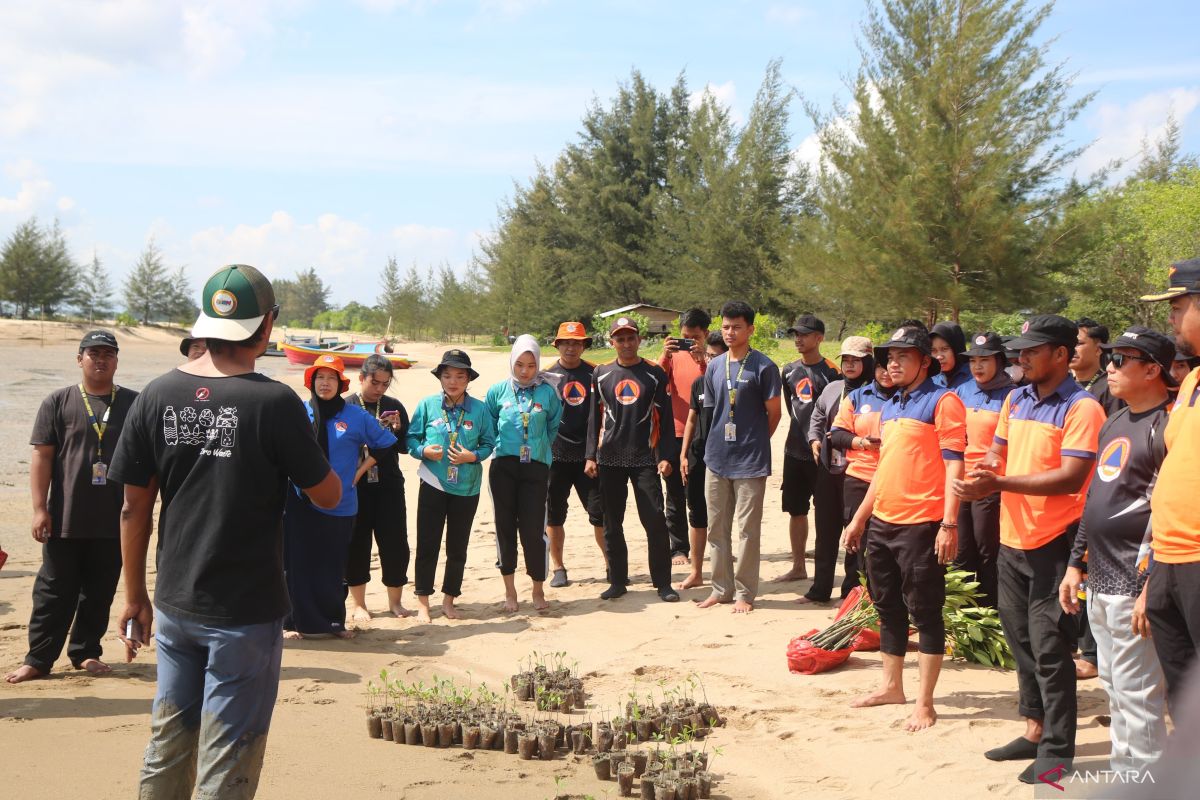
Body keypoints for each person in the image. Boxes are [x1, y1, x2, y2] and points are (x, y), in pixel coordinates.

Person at [110, 264, 341, 798]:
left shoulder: (155, 394)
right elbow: (326, 494)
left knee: (167, 741)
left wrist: (134, 597)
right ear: (267, 327)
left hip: (172, 602)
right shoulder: (275, 402)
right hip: (246, 611)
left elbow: (132, 510)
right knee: (228, 755)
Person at [955, 314, 1105, 784]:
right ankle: (1034, 730)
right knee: (1019, 641)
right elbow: (997, 452)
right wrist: (983, 473)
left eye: (1030, 351)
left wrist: (997, 481)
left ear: (1060, 355)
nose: (1020, 359)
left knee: (1050, 649)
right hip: (1011, 538)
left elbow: (1071, 477)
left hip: (1054, 545)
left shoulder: (1082, 409)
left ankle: (1058, 752)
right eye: (1018, 351)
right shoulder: (1016, 399)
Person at [1058, 326, 1175, 772]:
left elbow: (1168, 515)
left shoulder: (1167, 428)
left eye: (1123, 359)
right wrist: (1075, 564)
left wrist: (1150, 586)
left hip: (1135, 581)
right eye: (1111, 357)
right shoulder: (1115, 420)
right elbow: (1096, 499)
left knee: (1139, 693)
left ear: (1152, 370)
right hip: (1100, 576)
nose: (1110, 366)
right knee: (1113, 686)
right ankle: (1125, 773)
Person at [841, 325, 966, 731]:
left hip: (922, 525)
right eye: (889, 357)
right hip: (883, 522)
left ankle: (926, 703)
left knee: (926, 612)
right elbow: (884, 469)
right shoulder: (893, 404)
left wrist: (949, 523)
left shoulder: (942, 402)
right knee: (887, 606)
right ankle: (892, 686)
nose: (892, 364)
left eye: (903, 356)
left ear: (925, 361)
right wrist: (860, 518)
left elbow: (954, 466)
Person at [5, 330, 138, 684]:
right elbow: (42, 456)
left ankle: (86, 652)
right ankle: (38, 659)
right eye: (93, 353)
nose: (101, 359)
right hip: (65, 518)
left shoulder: (133, 403)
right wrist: (39, 509)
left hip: (115, 521)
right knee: (53, 592)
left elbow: (150, 461)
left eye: (108, 353)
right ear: (79, 359)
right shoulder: (57, 401)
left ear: (116, 360)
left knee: (99, 591)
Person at [283, 354, 396, 639]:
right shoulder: (299, 412)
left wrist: (358, 472)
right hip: (299, 502)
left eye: (331, 378)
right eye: (320, 377)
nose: (325, 383)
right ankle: (293, 623)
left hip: (340, 503)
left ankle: (333, 622)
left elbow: (384, 444)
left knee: (333, 565)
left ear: (341, 383)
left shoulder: (355, 416)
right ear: (311, 381)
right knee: (296, 564)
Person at [1139, 257, 1200, 715]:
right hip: (1169, 558)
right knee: (1181, 693)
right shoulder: (1193, 379)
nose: (1171, 317)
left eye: (1178, 306)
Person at [584, 317, 679, 603]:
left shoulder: (654, 374)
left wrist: (666, 456)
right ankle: (617, 582)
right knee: (612, 523)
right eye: (620, 339)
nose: (626, 344)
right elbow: (594, 418)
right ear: (612, 342)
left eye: (630, 338)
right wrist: (590, 455)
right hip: (609, 459)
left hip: (644, 459)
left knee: (655, 521)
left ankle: (663, 583)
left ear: (639, 340)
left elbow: (664, 418)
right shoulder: (600, 373)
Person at [697, 301, 783, 614]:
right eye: (726, 326)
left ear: (750, 329)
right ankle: (720, 589)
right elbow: (712, 411)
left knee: (748, 530)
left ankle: (745, 593)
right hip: (716, 459)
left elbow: (774, 414)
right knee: (716, 528)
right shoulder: (715, 366)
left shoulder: (764, 367)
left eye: (736, 327)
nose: (730, 332)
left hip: (750, 462)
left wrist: (754, 442)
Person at [407, 350, 495, 623]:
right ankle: (423, 602)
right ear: (440, 377)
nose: (453, 381)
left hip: (467, 487)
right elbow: (410, 439)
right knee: (427, 544)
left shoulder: (480, 410)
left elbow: (489, 443)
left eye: (459, 375)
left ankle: (449, 600)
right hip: (433, 482)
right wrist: (423, 450)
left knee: (458, 546)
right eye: (447, 375)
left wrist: (474, 456)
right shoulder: (427, 405)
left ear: (468, 378)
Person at [486, 335, 563, 612]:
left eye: (531, 365)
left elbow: (553, 426)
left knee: (533, 529)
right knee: (504, 529)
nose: (525, 371)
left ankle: (538, 590)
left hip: (536, 468)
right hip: (503, 467)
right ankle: (510, 592)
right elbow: (489, 427)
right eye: (519, 364)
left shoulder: (547, 392)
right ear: (512, 362)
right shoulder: (497, 392)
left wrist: (537, 447)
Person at [799, 335, 872, 603]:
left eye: (857, 360)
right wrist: (814, 439)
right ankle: (819, 589)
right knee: (826, 529)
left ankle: (850, 593)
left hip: (860, 473)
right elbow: (817, 415)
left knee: (855, 532)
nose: (850, 366)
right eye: (847, 360)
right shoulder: (833, 388)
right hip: (829, 470)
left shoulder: (875, 390)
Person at [822, 338, 891, 601]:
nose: (885, 372)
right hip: (859, 479)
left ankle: (881, 599)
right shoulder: (857, 397)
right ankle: (852, 597)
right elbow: (836, 434)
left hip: (892, 482)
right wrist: (860, 443)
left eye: (889, 367)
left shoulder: (905, 398)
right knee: (855, 539)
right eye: (881, 367)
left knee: (882, 543)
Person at [346, 354, 412, 621]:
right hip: (355, 484)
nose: (380, 389)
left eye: (385, 384)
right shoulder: (346, 406)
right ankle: (359, 604)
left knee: (395, 542)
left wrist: (395, 430)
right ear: (362, 378)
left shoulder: (394, 405)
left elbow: (404, 447)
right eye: (375, 383)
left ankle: (395, 602)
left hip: (388, 483)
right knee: (357, 543)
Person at [951, 332, 1015, 608]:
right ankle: (965, 617)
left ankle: (992, 614)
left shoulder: (1013, 394)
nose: (977, 366)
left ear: (999, 361)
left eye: (984, 360)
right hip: (960, 482)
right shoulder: (961, 391)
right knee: (962, 551)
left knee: (988, 550)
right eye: (973, 360)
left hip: (992, 484)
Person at [778, 313, 841, 583]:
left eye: (804, 334)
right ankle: (798, 565)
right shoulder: (789, 371)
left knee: (826, 512)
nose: (798, 339)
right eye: (796, 334)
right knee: (796, 510)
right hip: (794, 450)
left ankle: (825, 572)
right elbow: (791, 408)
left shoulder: (832, 373)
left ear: (819, 338)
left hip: (823, 455)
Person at [543, 321, 606, 587]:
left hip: (588, 456)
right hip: (555, 456)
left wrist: (595, 452)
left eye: (577, 342)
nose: (571, 347)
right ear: (557, 345)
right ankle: (558, 567)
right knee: (554, 516)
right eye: (566, 342)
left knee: (599, 513)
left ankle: (610, 563)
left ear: (584, 345)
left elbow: (606, 414)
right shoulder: (546, 376)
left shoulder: (595, 373)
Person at [660, 308, 712, 565]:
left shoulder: (713, 359)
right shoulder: (673, 357)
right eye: (684, 336)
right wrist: (665, 355)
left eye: (694, 337)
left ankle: (707, 544)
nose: (688, 342)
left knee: (704, 493)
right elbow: (657, 383)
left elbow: (715, 388)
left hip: (705, 436)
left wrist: (703, 359)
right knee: (674, 492)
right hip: (676, 432)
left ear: (706, 334)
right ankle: (678, 547)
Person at [678, 331, 728, 590]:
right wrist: (683, 453)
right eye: (708, 355)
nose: (710, 361)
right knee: (697, 516)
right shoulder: (699, 383)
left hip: (725, 457)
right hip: (699, 456)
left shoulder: (733, 384)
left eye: (715, 356)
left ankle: (723, 574)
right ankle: (696, 572)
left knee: (722, 518)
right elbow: (691, 419)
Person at [1072, 317, 1123, 417]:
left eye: (1079, 344)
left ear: (1098, 349)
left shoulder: (1111, 387)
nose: (1072, 349)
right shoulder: (1062, 385)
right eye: (1069, 344)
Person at [931, 322, 972, 390]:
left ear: (957, 349)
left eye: (944, 349)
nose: (939, 357)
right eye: (934, 350)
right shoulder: (932, 378)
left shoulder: (975, 378)